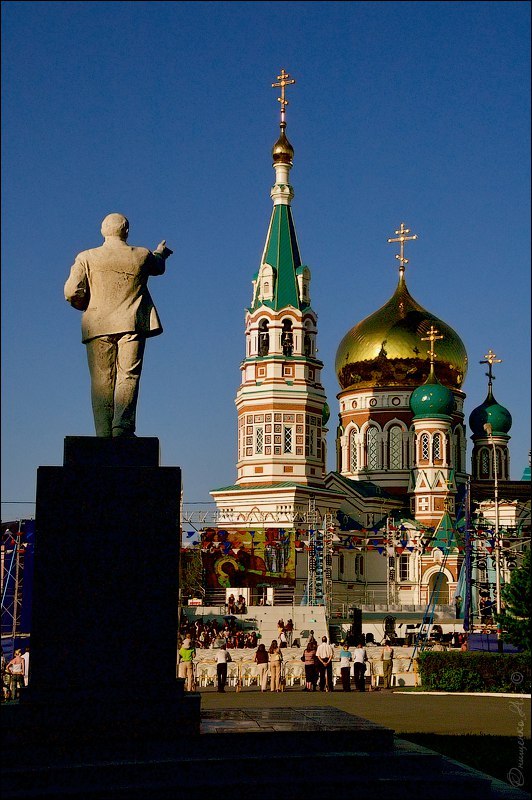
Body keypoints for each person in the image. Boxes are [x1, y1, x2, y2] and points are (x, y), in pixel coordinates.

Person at [64, 213, 172, 437]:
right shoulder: (141, 255)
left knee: (101, 381)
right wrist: (161, 252)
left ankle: (103, 432)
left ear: (103, 231)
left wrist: (84, 303)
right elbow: (159, 266)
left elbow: (71, 291)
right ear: (127, 231)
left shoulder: (86, 257)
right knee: (128, 375)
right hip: (131, 323)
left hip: (97, 325)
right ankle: (122, 427)